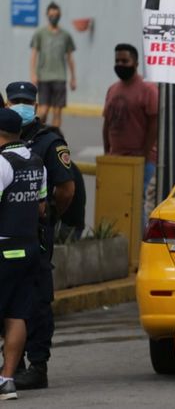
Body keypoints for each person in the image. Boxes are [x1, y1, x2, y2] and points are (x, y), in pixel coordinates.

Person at [5, 81, 75, 390]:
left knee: (36, 301)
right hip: (15, 235)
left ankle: (37, 364)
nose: (20, 104)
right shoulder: (9, 139)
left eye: (25, 101)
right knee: (12, 304)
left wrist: (51, 219)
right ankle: (13, 365)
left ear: (34, 105)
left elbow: (66, 189)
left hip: (35, 235)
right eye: (15, 100)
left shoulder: (49, 142)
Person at [0, 108, 47, 400]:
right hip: (29, 247)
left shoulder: (2, 163)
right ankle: (7, 380)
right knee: (17, 314)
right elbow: (42, 208)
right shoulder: (37, 162)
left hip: (3, 247)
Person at [102, 43, 158, 222]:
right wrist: (107, 152)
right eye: (117, 60)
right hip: (116, 159)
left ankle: (140, 247)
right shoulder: (112, 89)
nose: (120, 64)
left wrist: (144, 154)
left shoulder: (148, 89)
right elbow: (107, 123)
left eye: (125, 60)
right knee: (117, 205)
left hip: (142, 161)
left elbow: (154, 124)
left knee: (138, 206)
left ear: (135, 63)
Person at [29, 2, 76, 128]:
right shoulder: (40, 33)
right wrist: (33, 73)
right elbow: (34, 54)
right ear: (47, 15)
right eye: (51, 15)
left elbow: (70, 58)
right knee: (43, 111)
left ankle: (54, 140)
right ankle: (37, 135)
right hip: (44, 77)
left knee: (57, 112)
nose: (53, 17)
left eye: (56, 15)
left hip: (60, 77)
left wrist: (73, 78)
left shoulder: (66, 35)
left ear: (60, 15)